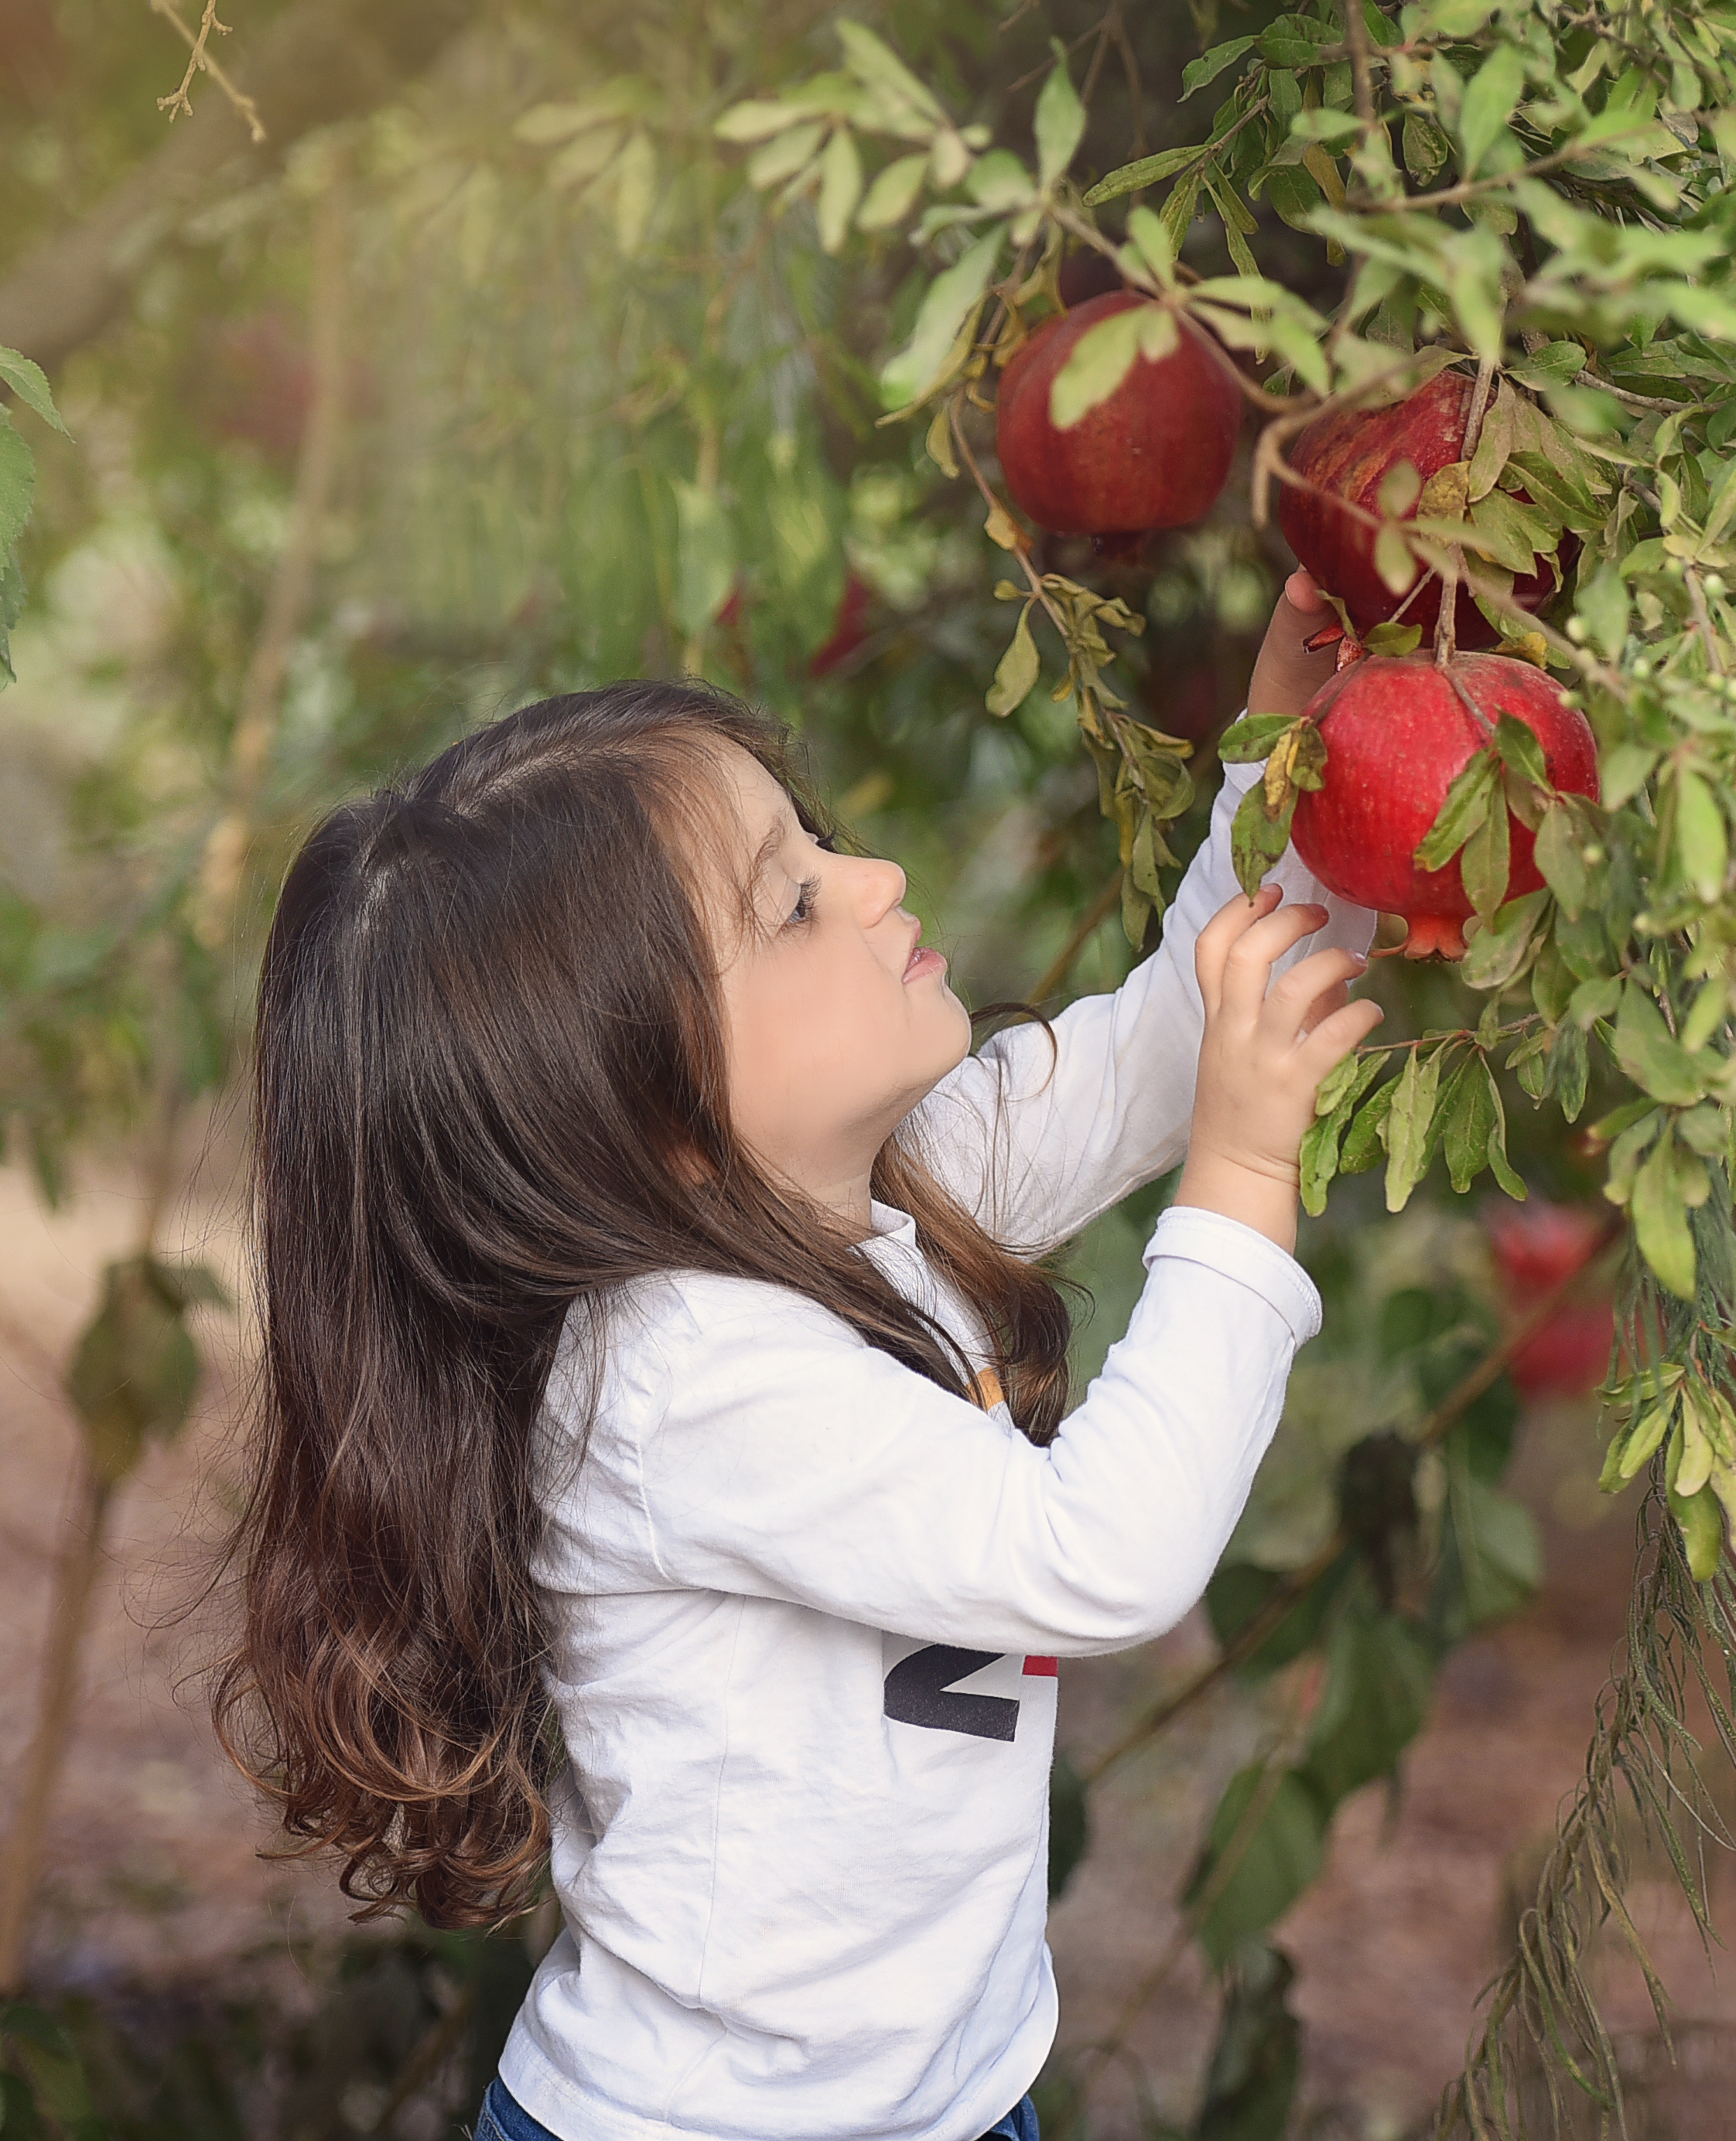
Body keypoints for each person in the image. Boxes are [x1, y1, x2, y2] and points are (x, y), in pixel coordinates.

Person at [213, 574, 1378, 2141]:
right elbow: (1104, 1555)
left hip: (950, 2104)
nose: (877, 875)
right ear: (649, 1113)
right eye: (793, 902)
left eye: (815, 844)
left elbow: (1173, 1039)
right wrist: (1245, 1177)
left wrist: (1295, 763)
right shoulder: (676, 1374)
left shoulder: (866, 1189)